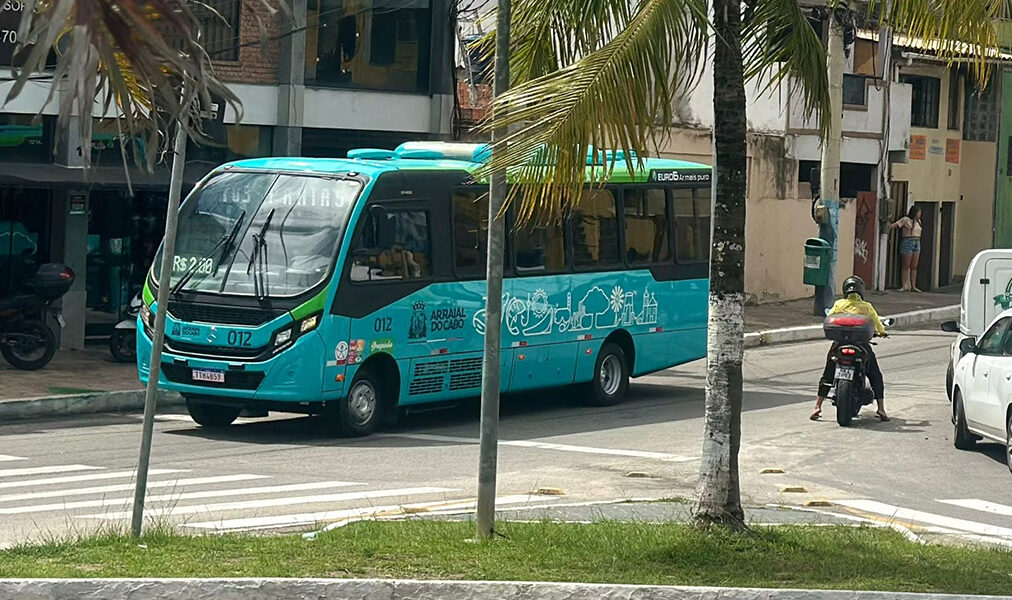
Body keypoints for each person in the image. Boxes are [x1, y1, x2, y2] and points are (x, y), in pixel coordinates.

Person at [810, 275, 889, 422]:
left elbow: (830, 318)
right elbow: (878, 325)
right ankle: (881, 408)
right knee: (875, 374)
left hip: (839, 344)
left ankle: (817, 406)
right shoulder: (867, 307)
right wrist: (882, 332)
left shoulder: (839, 304)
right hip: (861, 345)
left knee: (828, 374)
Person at [889, 206, 922, 292]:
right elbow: (896, 225)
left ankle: (913, 285)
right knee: (906, 265)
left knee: (914, 266)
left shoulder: (919, 221)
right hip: (908, 241)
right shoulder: (905, 220)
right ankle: (904, 285)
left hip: (917, 241)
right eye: (919, 213)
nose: (920, 214)